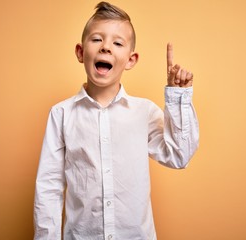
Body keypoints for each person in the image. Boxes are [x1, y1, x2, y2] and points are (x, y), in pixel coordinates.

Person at [34, 1, 199, 239]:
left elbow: (179, 156)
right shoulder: (61, 114)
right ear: (81, 52)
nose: (106, 47)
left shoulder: (145, 112)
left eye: (117, 43)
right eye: (97, 39)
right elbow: (48, 188)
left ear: (130, 60)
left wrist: (178, 96)